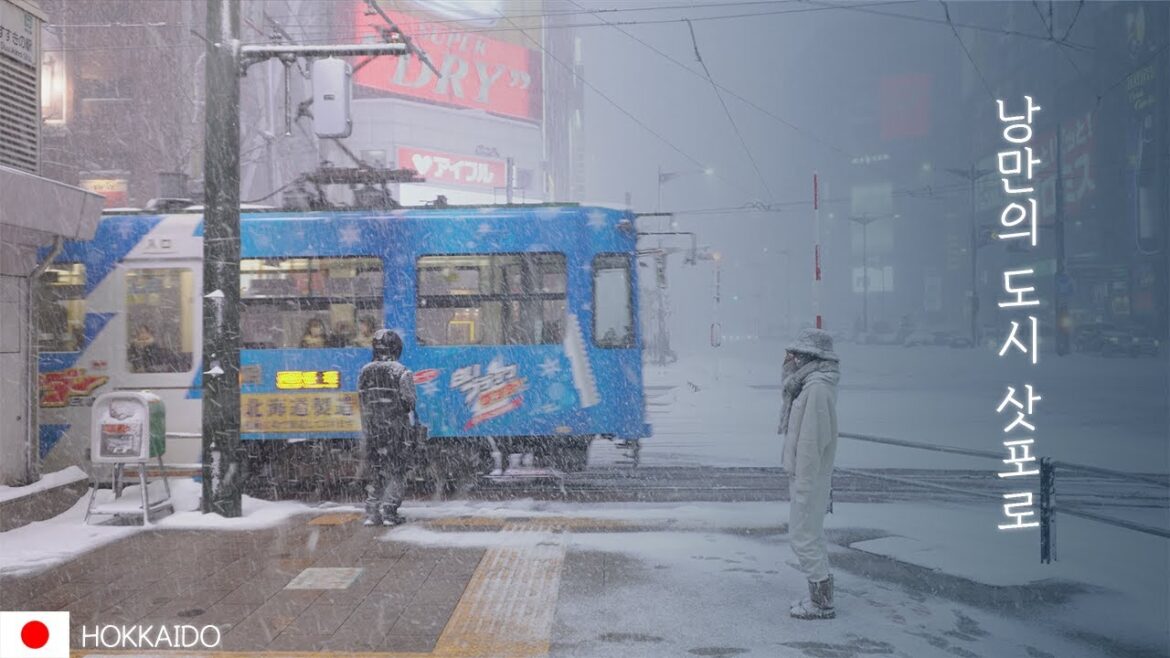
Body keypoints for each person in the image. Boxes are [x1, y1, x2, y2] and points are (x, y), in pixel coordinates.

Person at [778, 328, 841, 620]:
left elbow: (811, 443)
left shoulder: (816, 389)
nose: (789, 358)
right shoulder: (809, 385)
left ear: (810, 357)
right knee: (811, 535)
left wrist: (803, 485)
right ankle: (822, 595)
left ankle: (821, 602)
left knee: (802, 536)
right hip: (809, 476)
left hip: (810, 477)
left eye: (794, 354)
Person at [357, 329, 416, 526]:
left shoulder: (365, 371)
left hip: (372, 428)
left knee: (376, 470)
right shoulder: (402, 371)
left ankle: (373, 513)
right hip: (396, 429)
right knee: (397, 470)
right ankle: (390, 512)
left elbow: (361, 399)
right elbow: (410, 401)